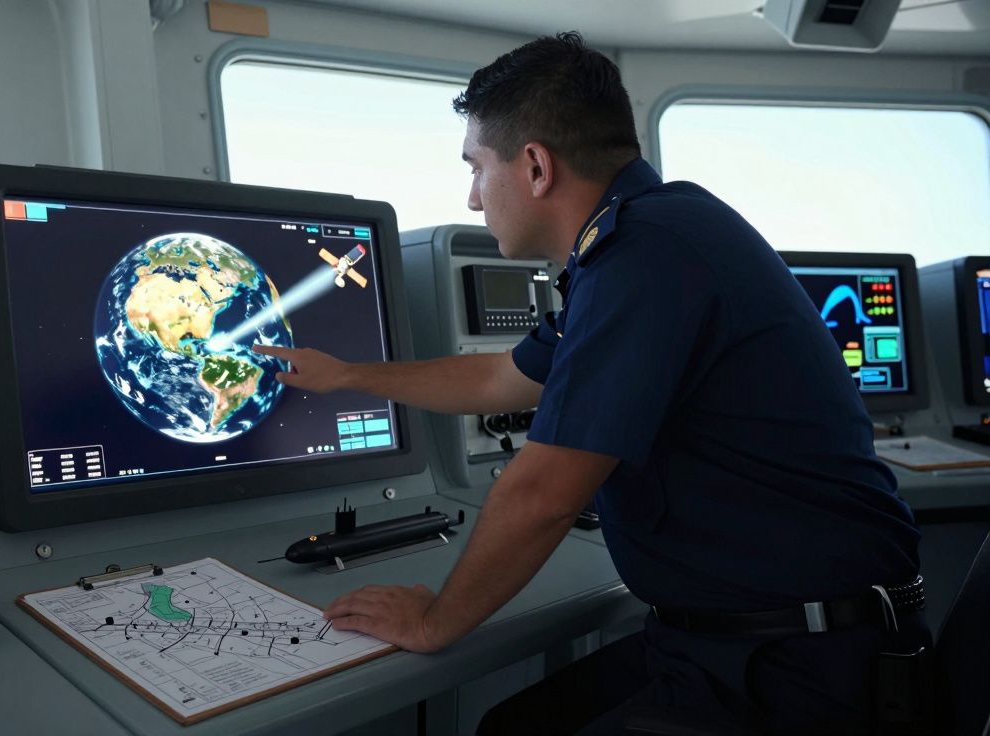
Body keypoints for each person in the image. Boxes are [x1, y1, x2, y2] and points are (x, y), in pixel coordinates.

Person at [254, 32, 929, 735]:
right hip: (740, 639)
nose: (474, 198)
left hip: (801, 670)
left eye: (478, 168)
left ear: (536, 167)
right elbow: (501, 376)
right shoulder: (643, 240)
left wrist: (433, 618)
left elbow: (545, 494)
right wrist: (351, 375)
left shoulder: (646, 256)